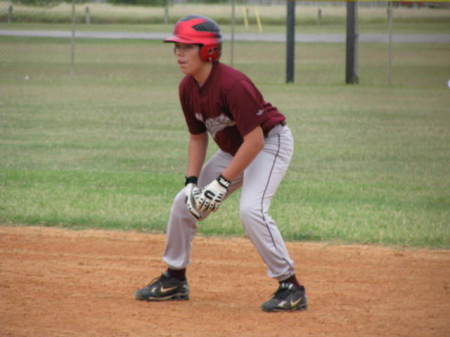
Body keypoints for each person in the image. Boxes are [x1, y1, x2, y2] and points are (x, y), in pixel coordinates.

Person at [135, 15, 307, 312]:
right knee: (182, 204)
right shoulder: (187, 88)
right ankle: (175, 279)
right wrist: (192, 183)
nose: (178, 53)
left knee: (252, 210)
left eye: (187, 47)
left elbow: (254, 142)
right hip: (234, 149)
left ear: (208, 51)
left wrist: (223, 181)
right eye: (176, 47)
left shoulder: (233, 84)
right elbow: (197, 137)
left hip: (269, 143)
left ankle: (291, 286)